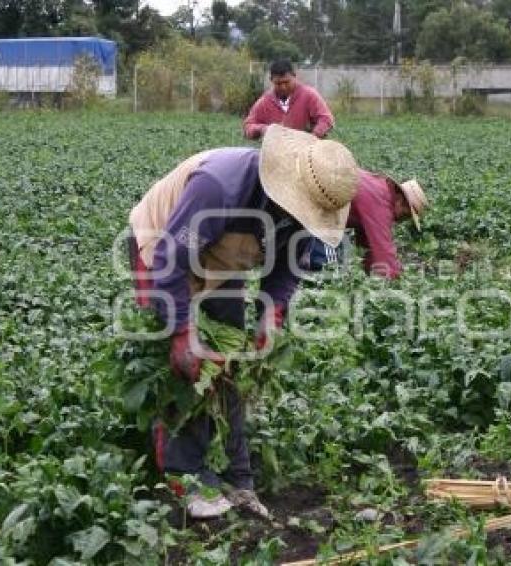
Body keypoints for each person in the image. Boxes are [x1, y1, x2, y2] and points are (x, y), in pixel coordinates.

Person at [128, 125, 358, 519]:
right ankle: (183, 473)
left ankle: (239, 477)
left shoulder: (303, 215)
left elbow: (288, 269)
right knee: (184, 369)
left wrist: (273, 313)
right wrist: (183, 332)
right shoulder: (218, 187)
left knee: (231, 362)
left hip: (221, 262)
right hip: (162, 249)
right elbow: (170, 259)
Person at [305, 171, 428, 279]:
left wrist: (368, 269)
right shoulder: (380, 202)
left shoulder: (379, 189)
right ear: (401, 200)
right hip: (311, 211)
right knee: (330, 270)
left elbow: (367, 244)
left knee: (336, 257)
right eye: (406, 214)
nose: (402, 219)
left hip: (314, 204)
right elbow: (383, 250)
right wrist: (395, 281)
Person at [243, 59, 334, 141]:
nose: (283, 87)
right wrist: (262, 129)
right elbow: (248, 125)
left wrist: (312, 137)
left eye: (286, 82)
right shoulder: (265, 101)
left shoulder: (309, 95)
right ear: (271, 80)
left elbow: (326, 119)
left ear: (294, 76)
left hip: (307, 150)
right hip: (275, 152)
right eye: (278, 83)